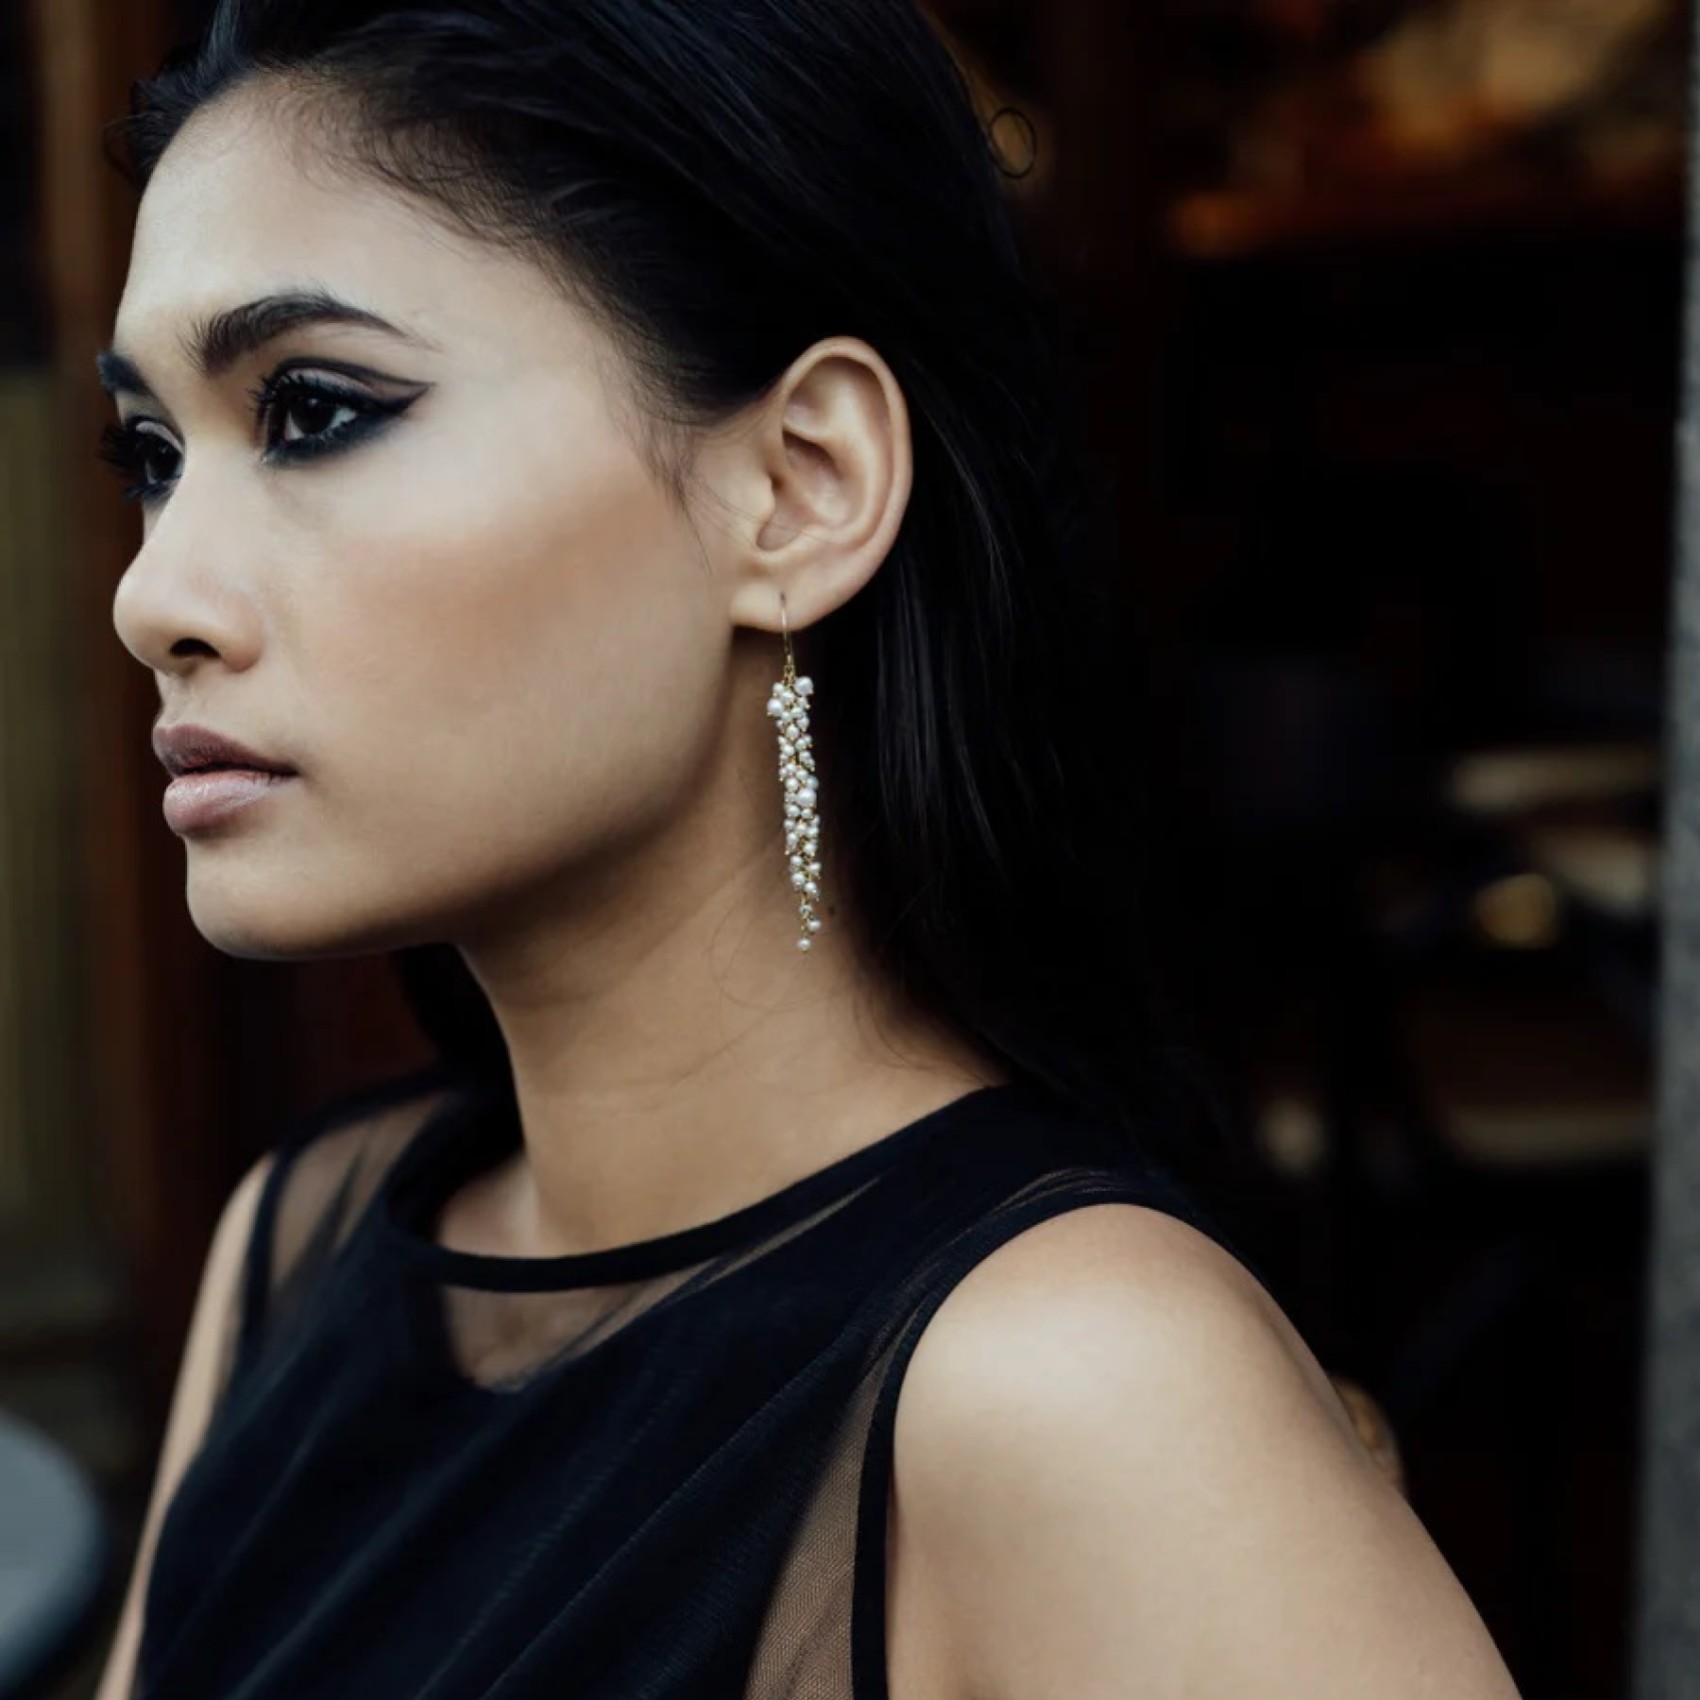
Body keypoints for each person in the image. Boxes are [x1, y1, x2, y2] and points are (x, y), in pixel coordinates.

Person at [88, 2, 1524, 1696]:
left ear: (798, 487)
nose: (155, 597)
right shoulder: (303, 1246)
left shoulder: (1079, 1391)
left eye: (316, 411)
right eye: (152, 455)